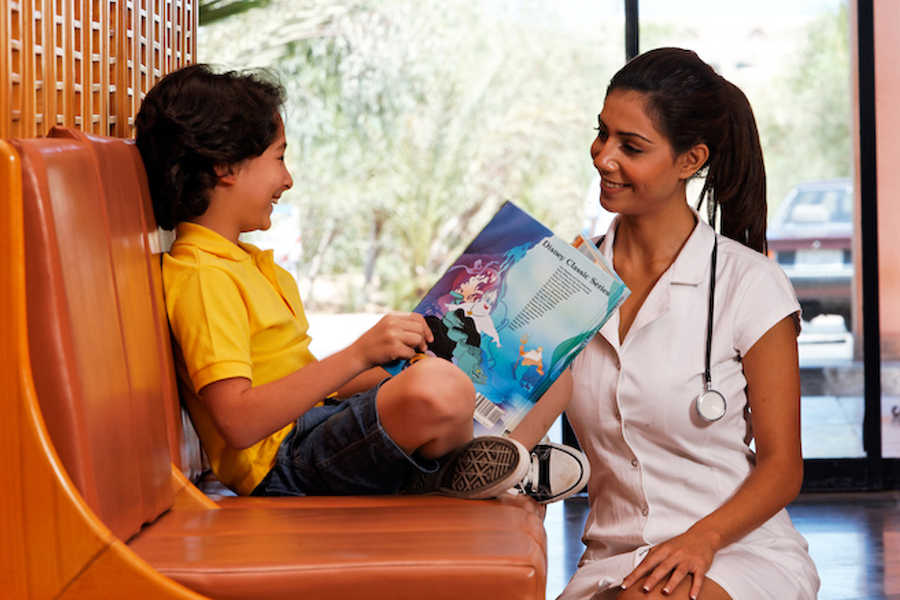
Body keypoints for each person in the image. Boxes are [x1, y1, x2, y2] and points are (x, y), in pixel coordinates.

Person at [135, 63, 587, 504]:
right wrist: (359, 354)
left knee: (550, 372)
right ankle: (469, 473)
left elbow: (301, 385)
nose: (287, 179)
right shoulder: (202, 276)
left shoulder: (243, 263)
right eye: (279, 157)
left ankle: (490, 468)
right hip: (283, 463)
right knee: (439, 387)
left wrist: (393, 362)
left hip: (316, 425)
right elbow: (238, 422)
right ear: (225, 167)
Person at [516, 47, 821, 599]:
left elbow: (782, 468)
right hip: (612, 561)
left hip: (733, 550)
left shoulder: (749, 284)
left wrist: (701, 540)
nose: (604, 157)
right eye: (601, 133)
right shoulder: (565, 279)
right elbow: (512, 426)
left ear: (689, 160)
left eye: (631, 146)